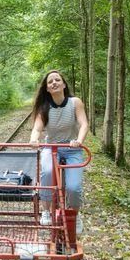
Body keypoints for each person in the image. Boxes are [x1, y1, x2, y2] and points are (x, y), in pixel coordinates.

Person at [28, 70, 89, 233]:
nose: (54, 83)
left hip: (72, 148)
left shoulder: (75, 102)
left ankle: (74, 216)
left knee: (74, 187)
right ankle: (46, 211)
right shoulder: (44, 107)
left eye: (57, 80)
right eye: (50, 82)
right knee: (47, 172)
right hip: (51, 147)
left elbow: (83, 124)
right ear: (47, 88)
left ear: (63, 84)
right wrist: (34, 140)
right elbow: (37, 128)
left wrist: (79, 141)